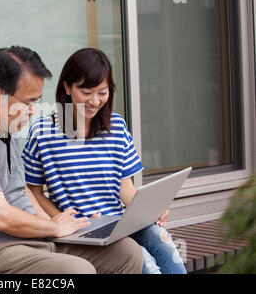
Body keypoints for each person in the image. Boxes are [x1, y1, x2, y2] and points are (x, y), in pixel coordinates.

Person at [0, 46, 143, 274]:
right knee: (76, 272)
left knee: (126, 253)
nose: (32, 111)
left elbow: (22, 190)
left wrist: (66, 224)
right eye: (27, 103)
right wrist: (53, 226)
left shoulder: (6, 131)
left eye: (36, 102)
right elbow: (1, 217)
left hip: (33, 241)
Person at [22, 48, 187, 274]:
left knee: (162, 238)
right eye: (86, 92)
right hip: (80, 232)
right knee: (146, 264)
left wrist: (151, 211)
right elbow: (34, 192)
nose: (95, 101)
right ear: (67, 87)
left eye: (103, 92)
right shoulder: (42, 131)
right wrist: (57, 220)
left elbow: (125, 186)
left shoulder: (116, 126)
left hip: (119, 223)